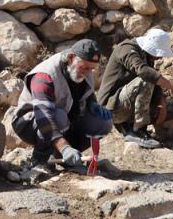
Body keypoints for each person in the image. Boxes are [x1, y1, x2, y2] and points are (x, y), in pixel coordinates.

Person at [12, 39, 114, 178]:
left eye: (91, 69)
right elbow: (45, 118)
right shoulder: (44, 76)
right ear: (71, 57)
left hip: (65, 120)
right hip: (31, 123)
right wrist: (64, 147)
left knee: (102, 122)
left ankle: (70, 158)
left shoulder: (83, 67)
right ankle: (40, 159)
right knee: (58, 117)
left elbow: (85, 94)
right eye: (85, 68)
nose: (88, 72)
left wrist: (93, 104)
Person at [97, 28, 173, 148]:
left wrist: (161, 101)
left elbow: (153, 82)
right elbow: (144, 72)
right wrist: (172, 87)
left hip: (127, 107)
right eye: (157, 54)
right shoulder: (126, 49)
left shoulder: (146, 55)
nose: (159, 58)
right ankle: (138, 131)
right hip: (112, 110)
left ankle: (170, 140)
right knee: (146, 80)